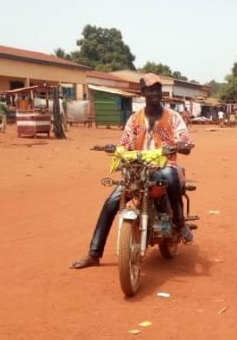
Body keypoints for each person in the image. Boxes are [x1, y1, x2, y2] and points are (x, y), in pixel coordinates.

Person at [70, 73, 194, 269]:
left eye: (158, 89)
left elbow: (186, 142)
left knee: (171, 176)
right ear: (143, 92)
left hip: (163, 167)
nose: (155, 93)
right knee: (110, 203)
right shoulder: (134, 119)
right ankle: (94, 254)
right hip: (137, 171)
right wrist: (115, 148)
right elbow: (125, 144)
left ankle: (179, 222)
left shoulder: (173, 117)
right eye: (151, 89)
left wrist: (180, 145)